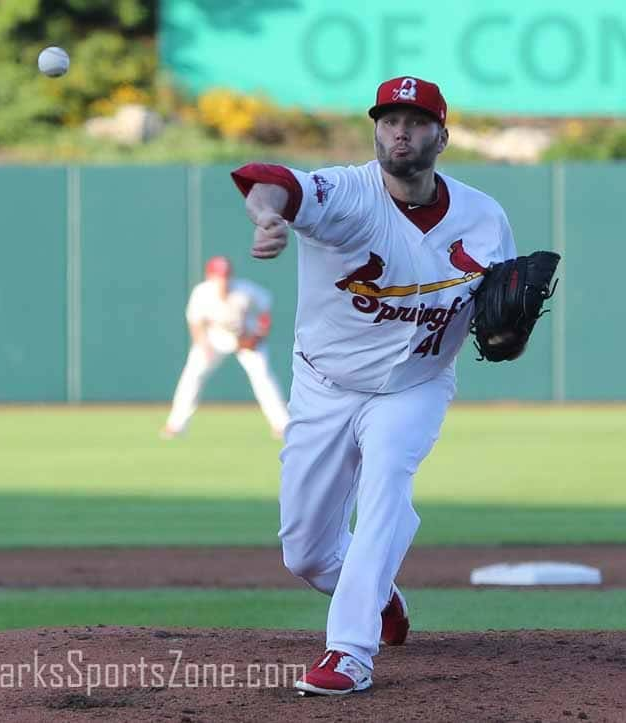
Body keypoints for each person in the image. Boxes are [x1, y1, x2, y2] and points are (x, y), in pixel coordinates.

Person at [230, 76, 517, 696]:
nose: (401, 131)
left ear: (442, 134)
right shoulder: (347, 194)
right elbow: (270, 180)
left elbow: (499, 312)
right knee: (305, 553)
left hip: (415, 384)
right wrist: (266, 221)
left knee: (387, 482)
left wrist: (503, 333)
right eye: (389, 120)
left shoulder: (485, 217)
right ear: (376, 130)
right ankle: (380, 592)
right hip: (326, 384)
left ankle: (349, 654)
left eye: (415, 120)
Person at [161, 256, 289, 440]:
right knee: (192, 375)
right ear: (209, 276)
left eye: (226, 275)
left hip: (246, 337)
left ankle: (282, 425)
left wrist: (259, 335)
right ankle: (176, 426)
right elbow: (195, 322)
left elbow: (265, 309)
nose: (223, 279)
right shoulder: (202, 293)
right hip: (215, 338)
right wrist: (202, 344)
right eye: (218, 275)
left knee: (262, 377)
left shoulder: (245, 290)